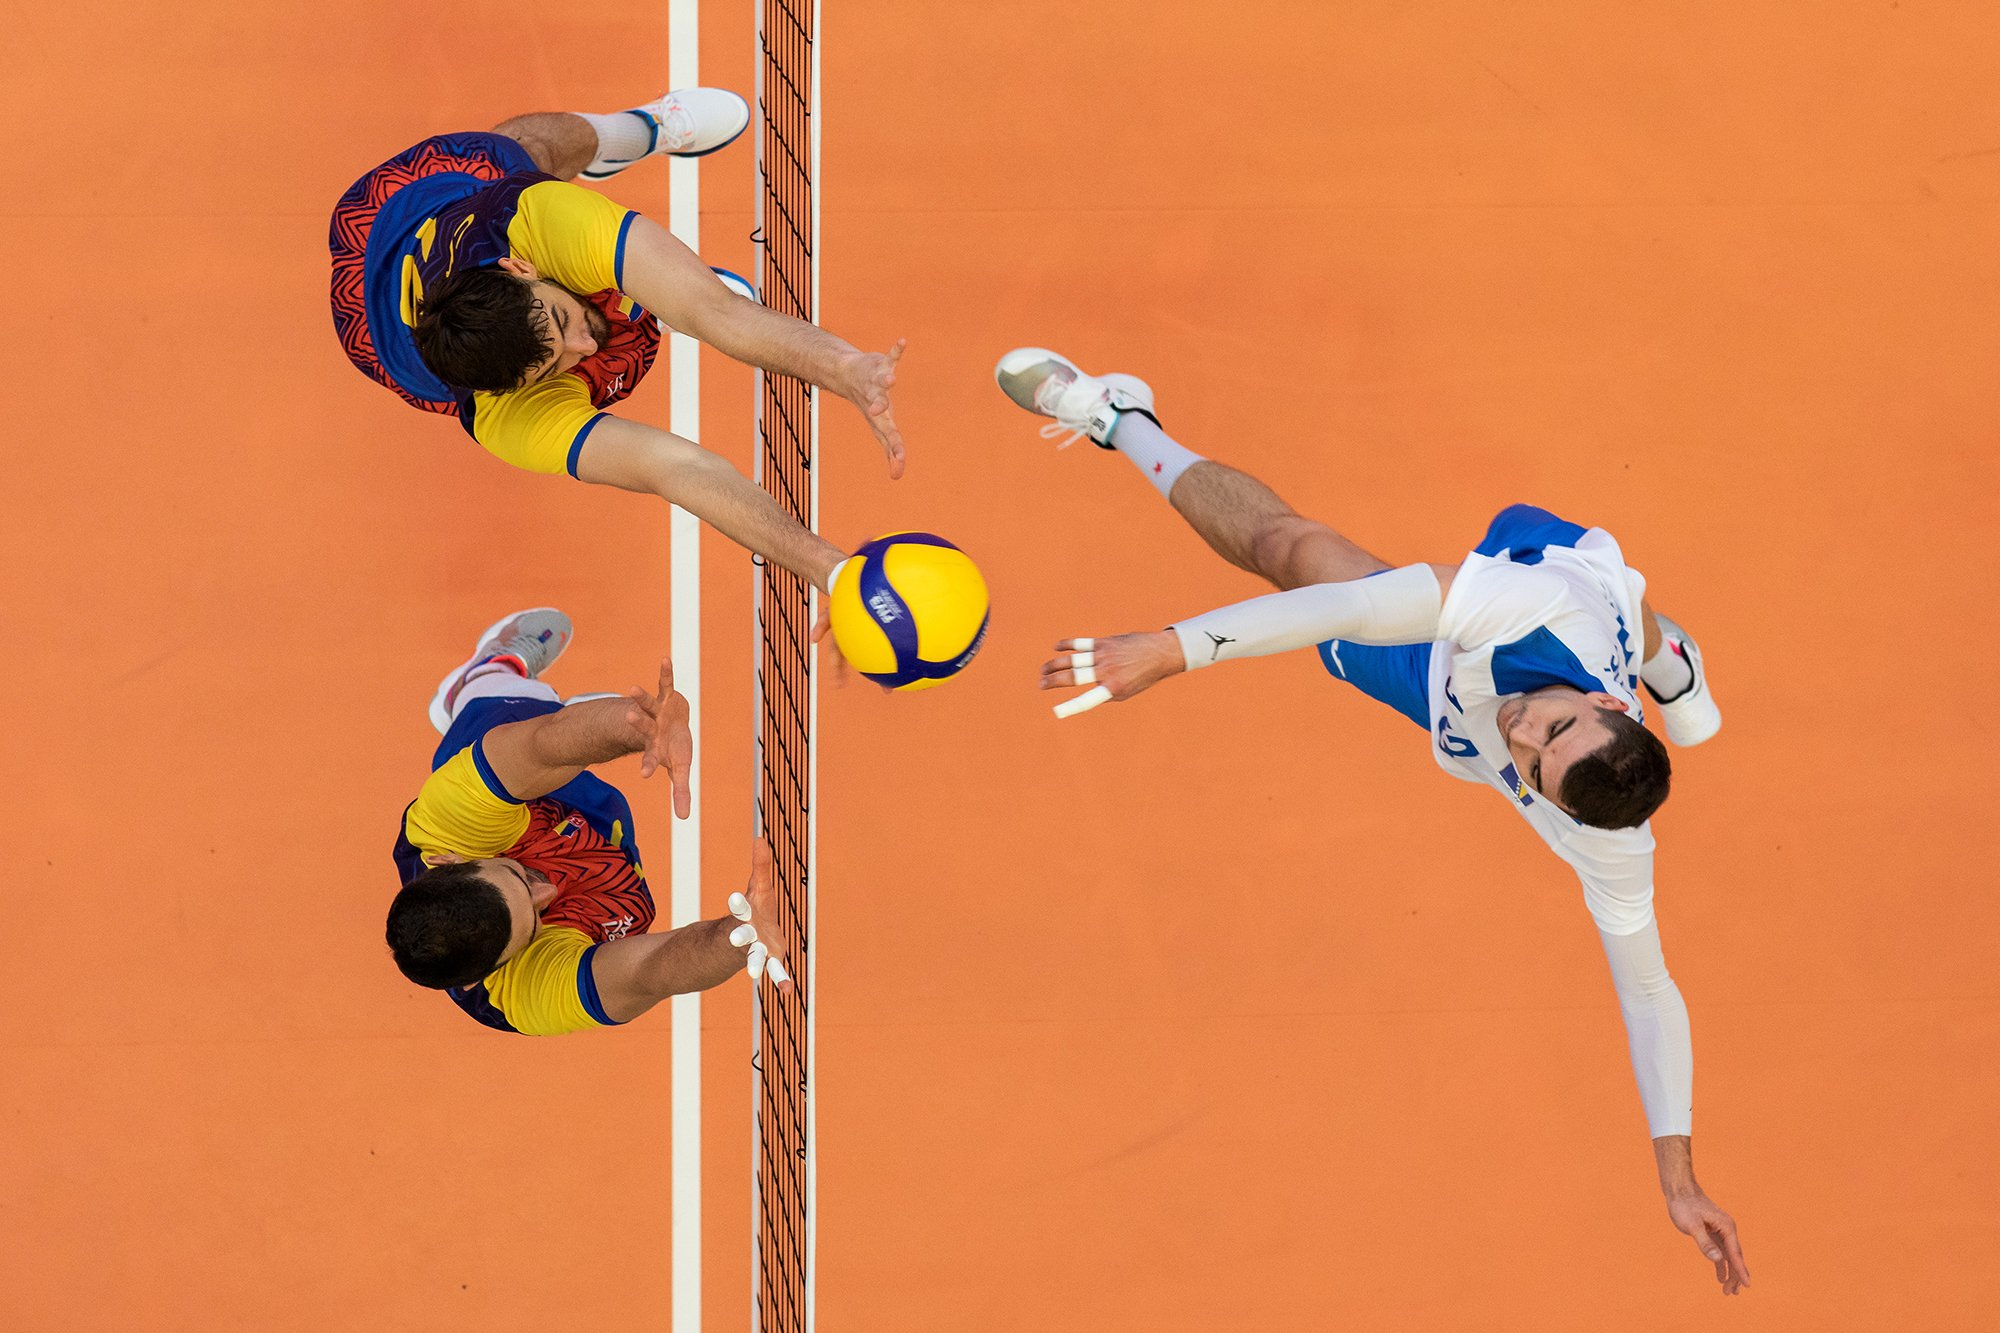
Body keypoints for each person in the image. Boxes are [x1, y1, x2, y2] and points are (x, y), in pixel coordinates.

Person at [993, 347, 1747, 1295]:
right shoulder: (1529, 610)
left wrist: (1678, 1181)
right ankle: (1119, 417)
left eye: (1532, 764)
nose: (1521, 729)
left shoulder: (1604, 835)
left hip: (1438, 693)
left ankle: (1667, 649)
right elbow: (1347, 604)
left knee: (1283, 563)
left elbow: (1648, 992)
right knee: (1299, 556)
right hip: (1534, 567)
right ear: (1613, 704)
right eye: (1554, 724)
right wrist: (1174, 649)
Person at [330, 88, 902, 594]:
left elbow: (719, 315)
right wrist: (835, 572)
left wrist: (845, 368)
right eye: (552, 366)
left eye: (560, 324)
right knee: (616, 341)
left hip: (403, 204)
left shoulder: (535, 217)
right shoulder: (504, 417)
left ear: (522, 268)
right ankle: (653, 295)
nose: (581, 347)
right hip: (375, 320)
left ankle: (638, 130)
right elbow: (678, 470)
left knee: (533, 147)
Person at [388, 608, 788, 1036]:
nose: (549, 890)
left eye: (520, 877)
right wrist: (736, 937)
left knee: (522, 716)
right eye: (535, 920)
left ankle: (489, 674)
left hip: (526, 809)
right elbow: (650, 972)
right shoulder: (525, 993)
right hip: (597, 863)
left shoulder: (449, 824)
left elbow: (546, 744)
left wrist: (641, 730)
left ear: (449, 860)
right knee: (588, 776)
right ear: (488, 972)